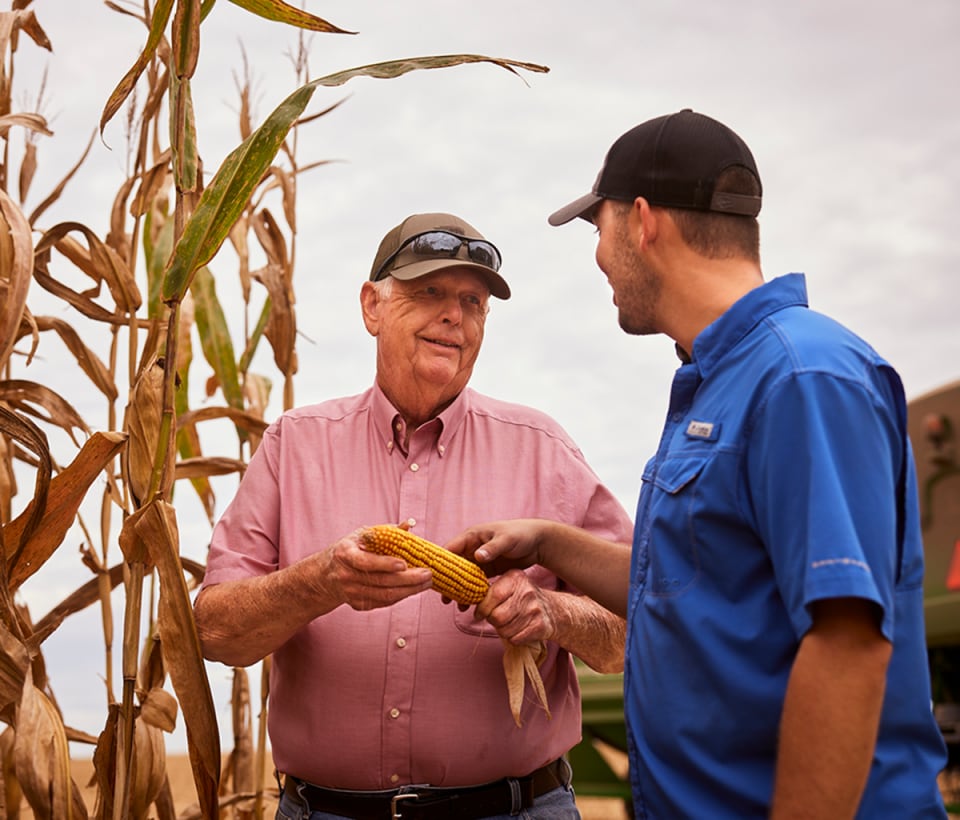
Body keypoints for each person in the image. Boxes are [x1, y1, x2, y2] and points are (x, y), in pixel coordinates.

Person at [446, 110, 949, 818]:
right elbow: (696, 586)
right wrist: (549, 540)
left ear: (644, 222)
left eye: (599, 228)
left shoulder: (803, 378)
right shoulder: (723, 380)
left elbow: (846, 646)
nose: (597, 257)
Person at [193, 211, 634, 820]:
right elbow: (215, 632)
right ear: (372, 306)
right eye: (429, 292)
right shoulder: (293, 446)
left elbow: (631, 631)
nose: (454, 314)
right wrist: (320, 581)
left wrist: (552, 612)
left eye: (473, 302)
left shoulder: (544, 450)